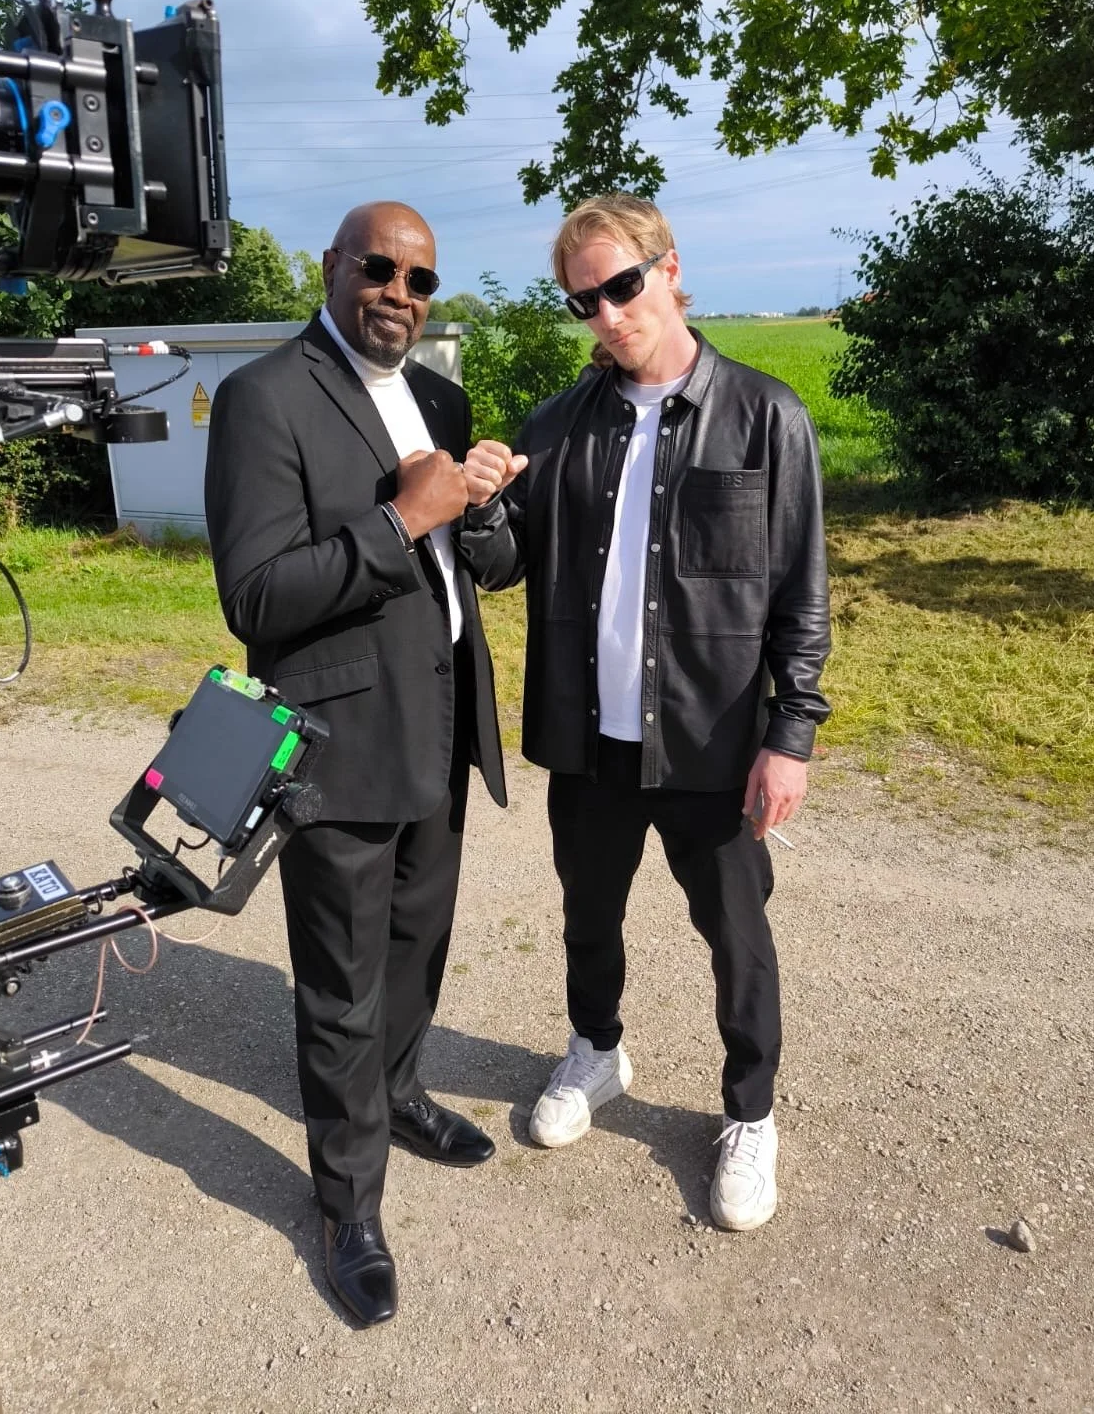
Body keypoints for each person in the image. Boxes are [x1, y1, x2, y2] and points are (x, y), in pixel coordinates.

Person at [458, 194, 831, 1232]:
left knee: (735, 932)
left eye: (623, 284)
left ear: (670, 269)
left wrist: (789, 735)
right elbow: (501, 568)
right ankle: (596, 1049)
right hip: (590, 740)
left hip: (713, 740)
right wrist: (481, 503)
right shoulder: (560, 423)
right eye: (585, 299)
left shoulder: (766, 415)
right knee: (589, 915)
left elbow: (802, 597)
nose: (608, 314)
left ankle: (749, 1112)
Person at [204, 201, 507, 1327]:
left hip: (442, 717)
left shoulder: (440, 395)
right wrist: (399, 522)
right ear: (333, 268)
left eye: (420, 278)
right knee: (341, 980)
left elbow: (477, 561)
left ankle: (400, 1091)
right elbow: (256, 597)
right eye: (377, 268)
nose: (399, 293)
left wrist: (478, 513)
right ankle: (347, 1205)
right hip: (341, 731)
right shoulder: (263, 398)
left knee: (418, 941)